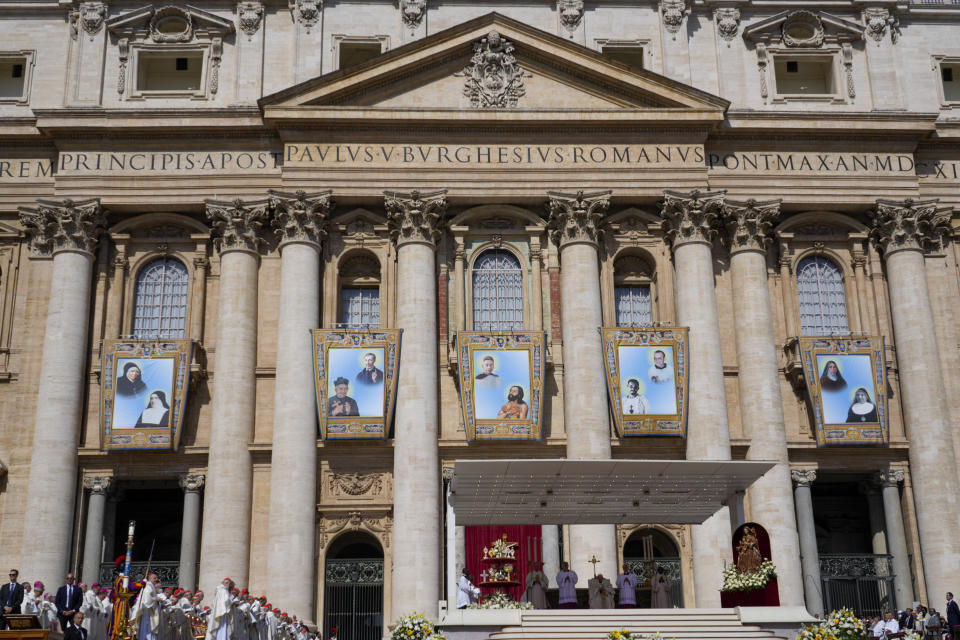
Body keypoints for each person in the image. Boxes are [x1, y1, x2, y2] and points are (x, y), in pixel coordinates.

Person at [130, 573, 161, 640]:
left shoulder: (150, 586)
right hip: (146, 612)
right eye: (154, 578)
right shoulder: (148, 586)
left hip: (149, 612)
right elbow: (147, 600)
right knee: (147, 630)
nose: (156, 579)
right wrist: (156, 599)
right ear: (149, 579)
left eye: (156, 578)